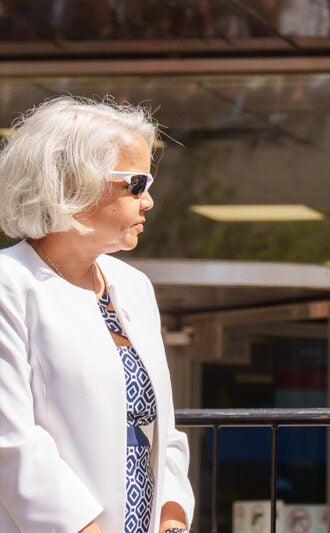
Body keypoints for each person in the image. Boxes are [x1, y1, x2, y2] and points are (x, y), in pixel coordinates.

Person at [0, 96, 194, 533]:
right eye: (136, 183)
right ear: (72, 182)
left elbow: (163, 431)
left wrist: (173, 516)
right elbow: (10, 443)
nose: (149, 201)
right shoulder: (8, 284)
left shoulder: (134, 287)